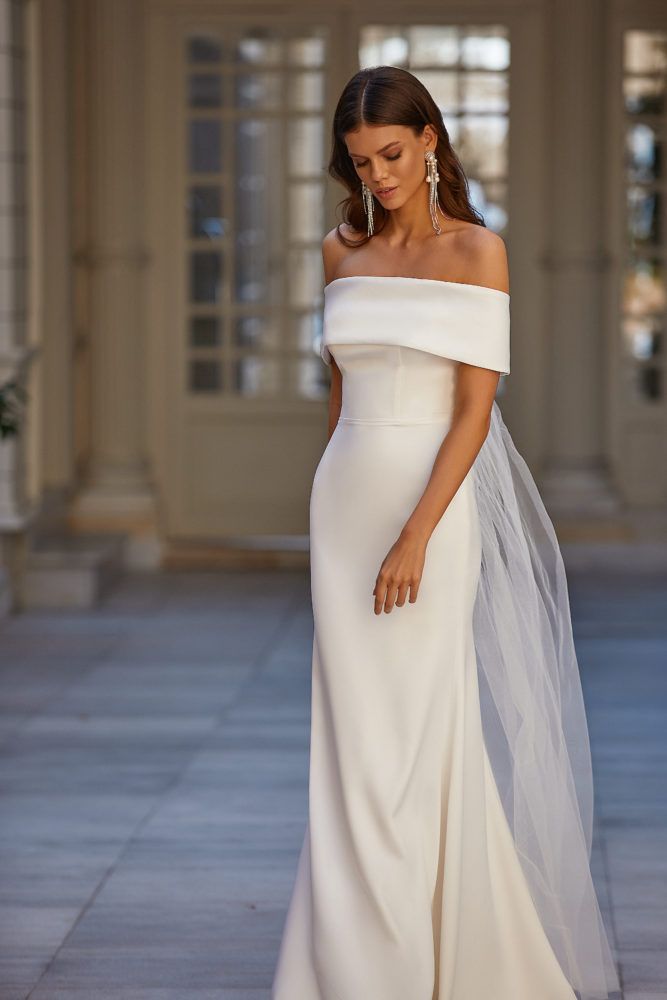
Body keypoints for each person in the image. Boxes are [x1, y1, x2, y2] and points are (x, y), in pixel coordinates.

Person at [271, 65, 620, 1000]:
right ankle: (348, 965)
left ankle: (437, 953)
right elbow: (341, 392)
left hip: (431, 507)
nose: (376, 176)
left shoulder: (478, 252)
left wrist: (418, 532)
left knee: (422, 729)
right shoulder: (340, 250)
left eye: (390, 154)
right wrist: (339, 504)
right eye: (359, 162)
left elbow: (472, 410)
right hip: (345, 501)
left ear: (429, 139)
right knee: (350, 735)